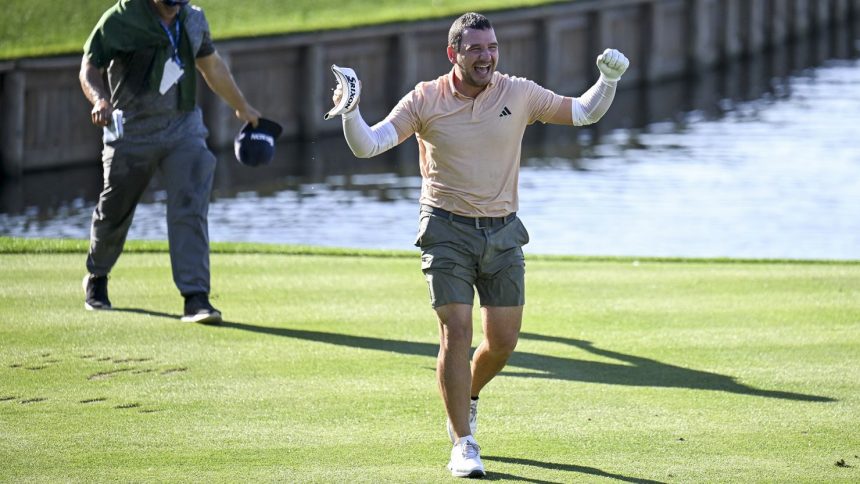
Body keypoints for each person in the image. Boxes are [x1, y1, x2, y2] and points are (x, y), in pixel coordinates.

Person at [331, 12, 629, 477]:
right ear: (453, 53)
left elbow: (583, 112)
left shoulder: (519, 92)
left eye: (491, 47)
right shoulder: (425, 99)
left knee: (503, 342)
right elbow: (368, 146)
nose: (486, 56)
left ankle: (465, 397)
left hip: (504, 230)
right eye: (474, 49)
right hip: (445, 228)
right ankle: (463, 443)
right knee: (457, 332)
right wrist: (351, 112)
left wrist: (607, 80)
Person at [79, 0, 262, 324]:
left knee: (191, 203)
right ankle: (97, 275)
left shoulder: (193, 19)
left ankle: (196, 298)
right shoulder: (121, 18)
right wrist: (100, 99)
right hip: (132, 131)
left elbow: (212, 66)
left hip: (183, 128)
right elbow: (89, 68)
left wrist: (242, 107)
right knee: (114, 211)